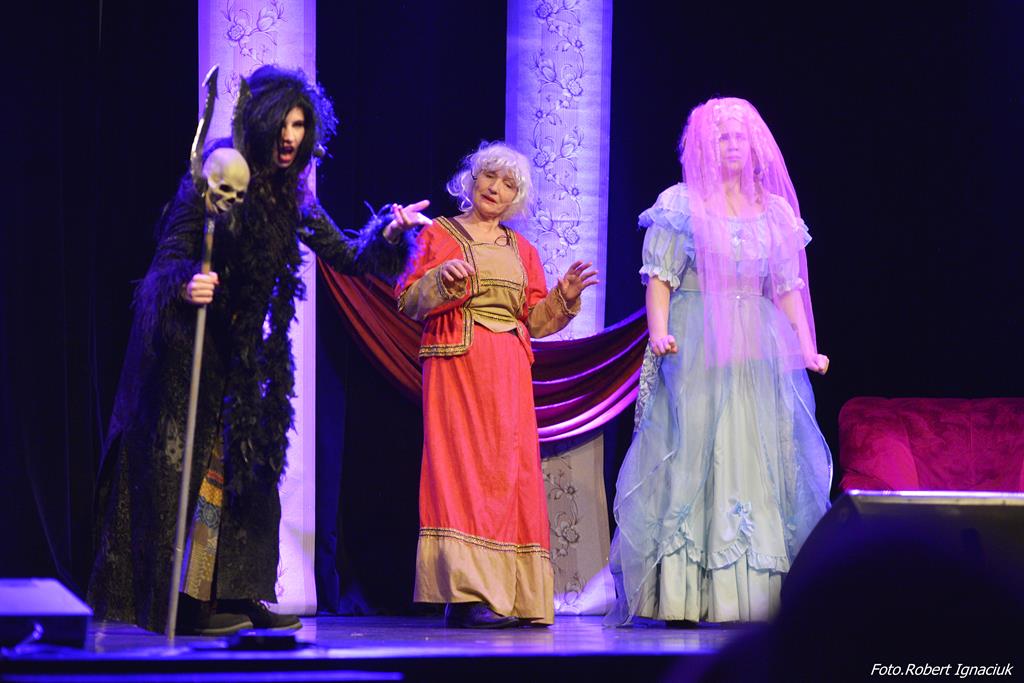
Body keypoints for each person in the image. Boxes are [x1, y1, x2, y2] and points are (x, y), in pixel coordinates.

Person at [88, 65, 429, 635]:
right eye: (284, 124)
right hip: (189, 353)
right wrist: (186, 284)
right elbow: (165, 264)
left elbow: (347, 255)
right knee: (191, 476)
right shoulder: (216, 178)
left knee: (248, 472)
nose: (292, 137)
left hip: (244, 358)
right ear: (263, 122)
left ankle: (239, 593)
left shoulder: (293, 197)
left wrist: (390, 235)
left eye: (301, 125)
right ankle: (182, 603)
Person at [607, 97, 832, 626]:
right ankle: (683, 595)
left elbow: (787, 288)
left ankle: (753, 593)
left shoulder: (774, 212)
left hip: (756, 340)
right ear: (703, 146)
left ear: (755, 146)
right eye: (722, 137)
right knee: (693, 448)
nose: (732, 145)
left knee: (753, 449)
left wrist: (805, 347)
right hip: (697, 335)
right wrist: (659, 333)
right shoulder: (681, 204)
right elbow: (660, 278)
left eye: (740, 136)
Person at [396, 141, 598, 628]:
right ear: (471, 180)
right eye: (490, 176)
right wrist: (441, 279)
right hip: (456, 364)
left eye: (509, 184)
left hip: (508, 371)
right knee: (461, 471)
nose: (496, 188)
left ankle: (511, 594)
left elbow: (536, 320)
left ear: (516, 199)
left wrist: (564, 299)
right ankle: (465, 595)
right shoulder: (438, 234)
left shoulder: (523, 250)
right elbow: (407, 300)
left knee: (508, 475)